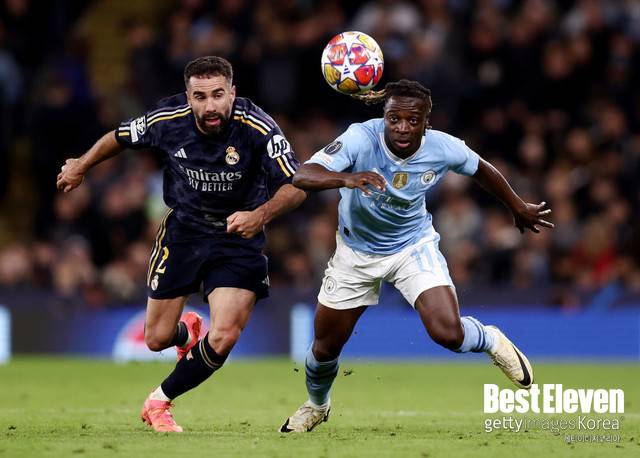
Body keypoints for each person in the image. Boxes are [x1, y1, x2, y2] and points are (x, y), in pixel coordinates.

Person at [280, 80, 553, 433]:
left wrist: (516, 206)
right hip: (355, 253)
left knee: (448, 333)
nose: (402, 127)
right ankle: (317, 406)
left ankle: (490, 339)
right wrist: (346, 179)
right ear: (384, 116)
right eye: (394, 119)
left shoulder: (443, 146)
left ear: (427, 122)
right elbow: (303, 175)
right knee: (324, 348)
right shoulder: (360, 137)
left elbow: (482, 168)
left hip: (411, 247)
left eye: (413, 120)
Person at [56, 56, 306, 433]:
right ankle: (184, 333)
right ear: (188, 98)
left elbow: (296, 184)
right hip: (184, 233)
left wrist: (260, 215)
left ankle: (159, 401)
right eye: (200, 97)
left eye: (218, 95)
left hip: (238, 238)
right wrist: (81, 165)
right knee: (156, 338)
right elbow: (118, 137)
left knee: (224, 333)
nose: (210, 105)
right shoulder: (167, 120)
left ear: (232, 93)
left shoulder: (258, 126)